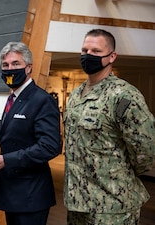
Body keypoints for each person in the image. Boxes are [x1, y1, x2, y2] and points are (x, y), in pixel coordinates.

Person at [63, 29, 155, 225]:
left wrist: (117, 173)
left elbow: (147, 151)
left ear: (112, 56)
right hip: (78, 202)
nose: (88, 55)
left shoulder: (123, 95)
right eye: (84, 50)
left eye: (96, 51)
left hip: (113, 207)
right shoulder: (75, 95)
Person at [0, 42, 61, 225]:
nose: (10, 69)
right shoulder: (14, 97)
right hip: (13, 192)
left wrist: (7, 160)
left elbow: (50, 146)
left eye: (15, 64)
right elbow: (17, 130)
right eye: (5, 65)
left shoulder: (41, 100)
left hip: (30, 194)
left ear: (28, 68)